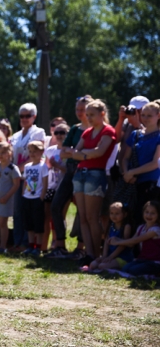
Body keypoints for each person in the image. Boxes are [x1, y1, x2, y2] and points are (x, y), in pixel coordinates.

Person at [69, 99, 116, 266]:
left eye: (91, 114)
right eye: (87, 114)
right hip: (80, 174)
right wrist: (86, 154)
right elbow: (75, 152)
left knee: (92, 217)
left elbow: (100, 152)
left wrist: (82, 154)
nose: (88, 117)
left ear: (102, 114)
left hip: (95, 175)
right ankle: (89, 254)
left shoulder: (107, 131)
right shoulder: (87, 132)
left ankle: (97, 254)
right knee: (83, 217)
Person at [46, 95, 92, 259]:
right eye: (77, 109)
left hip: (87, 172)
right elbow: (64, 152)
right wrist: (80, 153)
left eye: (83, 109)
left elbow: (92, 153)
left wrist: (76, 153)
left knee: (83, 211)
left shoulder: (96, 130)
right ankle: (60, 245)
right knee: (56, 206)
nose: (80, 112)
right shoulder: (74, 129)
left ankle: (80, 247)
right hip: (71, 171)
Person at [9, 103, 46, 250]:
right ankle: (18, 241)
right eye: (22, 116)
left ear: (34, 117)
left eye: (28, 115)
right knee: (17, 211)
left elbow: (35, 155)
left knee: (29, 212)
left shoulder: (38, 132)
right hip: (17, 177)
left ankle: (28, 243)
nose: (24, 119)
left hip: (30, 178)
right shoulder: (16, 136)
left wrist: (18, 169)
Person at [120, 101, 160, 225]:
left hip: (150, 183)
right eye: (143, 115)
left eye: (149, 115)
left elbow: (155, 163)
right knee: (129, 218)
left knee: (146, 219)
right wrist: (126, 173)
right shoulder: (135, 134)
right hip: (132, 183)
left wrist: (132, 172)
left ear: (158, 115)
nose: (145, 118)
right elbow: (126, 157)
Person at [0, 142, 21, 252]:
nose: (0, 155)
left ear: (10, 153)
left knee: (2, 222)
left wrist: (7, 197)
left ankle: (3, 246)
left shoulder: (13, 168)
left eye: (4, 153)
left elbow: (16, 185)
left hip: (5, 200)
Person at [109, 200, 160, 277]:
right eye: (147, 212)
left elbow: (136, 240)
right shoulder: (140, 227)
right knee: (126, 268)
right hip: (142, 260)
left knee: (133, 270)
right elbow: (131, 244)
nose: (149, 215)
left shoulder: (156, 230)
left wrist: (117, 242)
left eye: (153, 213)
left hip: (154, 262)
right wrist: (117, 239)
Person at [82, 202, 133, 272]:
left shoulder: (126, 226)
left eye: (117, 213)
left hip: (122, 257)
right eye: (111, 213)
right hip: (110, 256)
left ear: (125, 214)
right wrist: (104, 256)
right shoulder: (111, 226)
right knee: (93, 264)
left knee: (102, 266)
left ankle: (119, 267)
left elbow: (123, 245)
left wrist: (110, 257)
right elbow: (107, 241)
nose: (114, 216)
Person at [20, 141, 49, 256]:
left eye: (35, 151)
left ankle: (38, 246)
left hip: (37, 197)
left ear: (41, 152)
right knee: (29, 223)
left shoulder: (43, 166)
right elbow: (25, 181)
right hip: (27, 197)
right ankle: (30, 245)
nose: (32, 154)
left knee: (38, 223)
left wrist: (41, 197)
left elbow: (45, 183)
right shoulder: (27, 166)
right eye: (30, 151)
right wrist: (23, 193)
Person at [43, 123, 69, 251]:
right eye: (56, 132)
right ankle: (44, 244)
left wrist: (57, 165)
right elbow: (46, 168)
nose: (59, 135)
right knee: (47, 216)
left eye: (62, 132)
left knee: (60, 215)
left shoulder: (70, 150)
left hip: (64, 186)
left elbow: (69, 170)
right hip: (51, 186)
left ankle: (57, 242)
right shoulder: (50, 150)